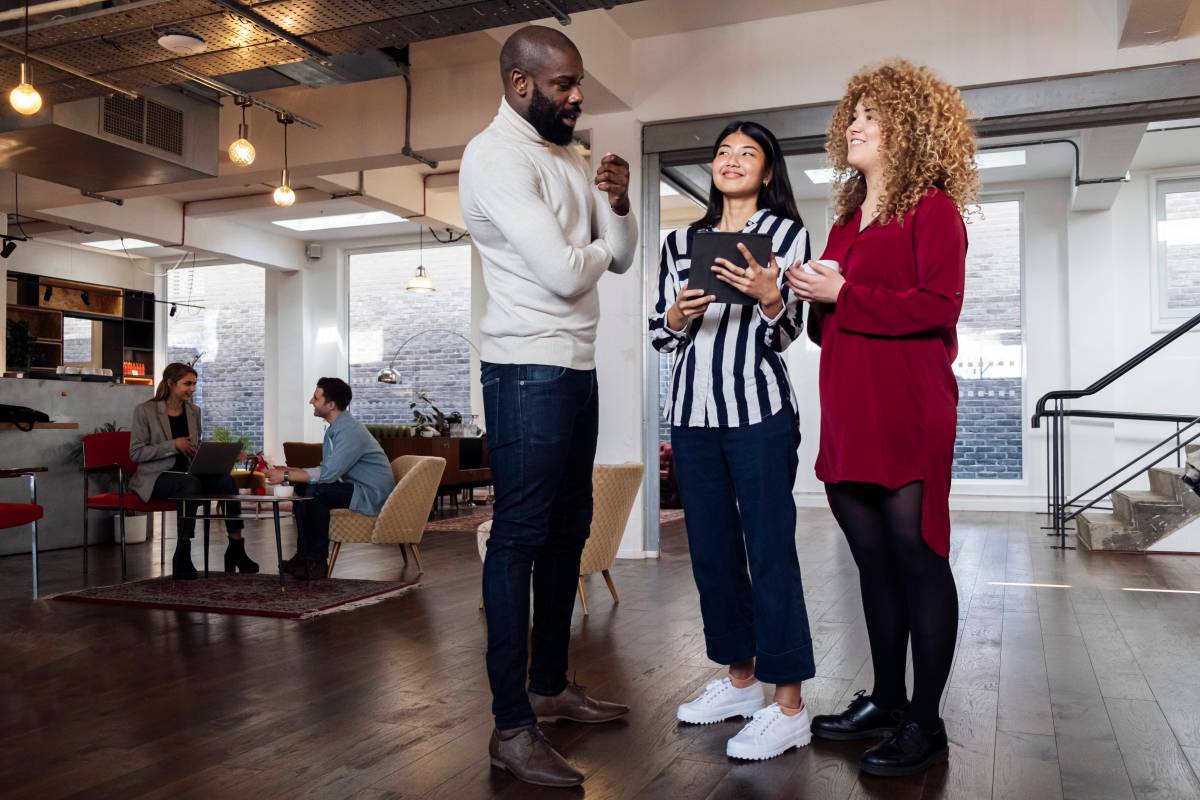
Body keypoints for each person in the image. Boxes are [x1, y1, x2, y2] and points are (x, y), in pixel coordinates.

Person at [458, 25, 638, 789]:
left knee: (569, 532)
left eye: (579, 82)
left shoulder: (566, 154)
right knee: (520, 537)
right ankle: (510, 726)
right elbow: (567, 276)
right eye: (563, 84)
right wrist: (591, 251)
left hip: (575, 366)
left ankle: (551, 685)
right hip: (525, 369)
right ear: (520, 85)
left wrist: (617, 205)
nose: (577, 96)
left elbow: (619, 255)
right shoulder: (493, 157)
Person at [787, 60, 977, 777]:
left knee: (918, 560)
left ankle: (925, 723)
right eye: (854, 116)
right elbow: (824, 325)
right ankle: (890, 700)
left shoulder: (932, 209)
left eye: (871, 115)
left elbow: (938, 307)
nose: (856, 125)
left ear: (909, 127)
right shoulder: (844, 218)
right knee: (872, 564)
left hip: (909, 407)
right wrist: (811, 292)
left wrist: (845, 291)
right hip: (849, 408)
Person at [650, 120, 816, 761]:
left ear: (768, 172)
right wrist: (675, 316)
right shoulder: (680, 241)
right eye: (723, 152)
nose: (732, 160)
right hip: (691, 417)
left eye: (748, 153)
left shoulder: (785, 235)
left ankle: (789, 705)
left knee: (771, 550)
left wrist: (773, 298)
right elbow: (662, 335)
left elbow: (787, 332)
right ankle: (742, 683)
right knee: (713, 555)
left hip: (759, 413)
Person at [130, 362, 258, 580]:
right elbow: (136, 453)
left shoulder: (193, 412)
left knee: (226, 482)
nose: (192, 388)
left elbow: (192, 448)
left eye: (194, 384)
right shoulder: (145, 411)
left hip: (189, 474)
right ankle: (183, 552)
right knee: (190, 484)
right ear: (171, 383)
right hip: (158, 477)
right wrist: (173, 445)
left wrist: (222, 455)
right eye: (187, 384)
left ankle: (236, 547)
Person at [265, 377, 394, 580]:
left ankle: (317, 562)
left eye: (316, 398)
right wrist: (290, 470)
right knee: (302, 489)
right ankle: (304, 556)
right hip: (354, 486)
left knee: (316, 492)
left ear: (331, 405)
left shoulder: (350, 431)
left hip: (370, 493)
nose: (310, 402)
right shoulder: (336, 428)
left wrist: (287, 474)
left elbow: (327, 474)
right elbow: (328, 470)